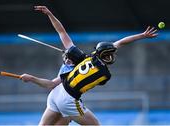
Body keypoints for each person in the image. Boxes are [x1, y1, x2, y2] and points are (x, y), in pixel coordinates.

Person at [20, 5, 158, 125]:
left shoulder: (87, 56)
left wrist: (50, 14)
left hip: (56, 93)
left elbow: (61, 32)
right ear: (108, 55)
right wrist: (142, 35)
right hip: (68, 99)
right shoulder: (105, 75)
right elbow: (120, 43)